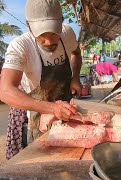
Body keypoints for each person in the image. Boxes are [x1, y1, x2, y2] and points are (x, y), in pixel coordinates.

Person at [0, 0, 81, 159]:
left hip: (67, 110)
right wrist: (52, 109)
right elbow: (5, 90)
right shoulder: (20, 46)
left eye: (53, 33)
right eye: (42, 35)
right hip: (39, 117)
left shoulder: (68, 33)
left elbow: (76, 53)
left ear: (61, 21)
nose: (49, 41)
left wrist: (76, 77)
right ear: (29, 25)